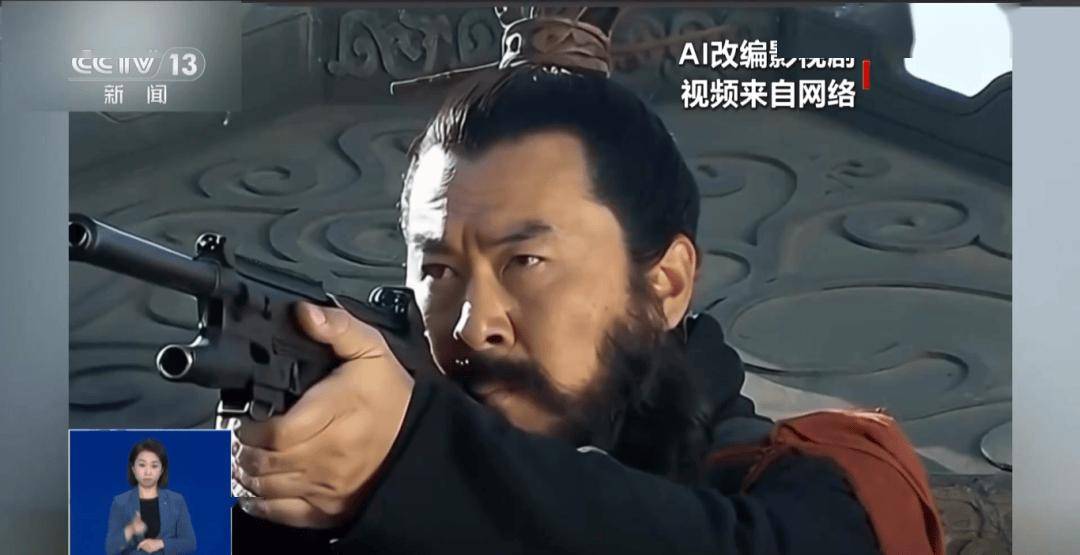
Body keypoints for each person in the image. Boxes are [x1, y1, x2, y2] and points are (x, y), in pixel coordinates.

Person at [229, 7, 943, 554]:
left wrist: (412, 464)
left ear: (666, 284)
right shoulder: (363, 474)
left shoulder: (821, 480)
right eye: (440, 270)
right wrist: (257, 483)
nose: (474, 325)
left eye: (525, 262)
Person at [106, 439, 196, 555]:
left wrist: (161, 543)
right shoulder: (120, 502)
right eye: (142, 465)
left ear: (161, 470)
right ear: (133, 468)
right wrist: (131, 529)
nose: (148, 472)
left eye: (154, 466)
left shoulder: (176, 501)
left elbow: (190, 543)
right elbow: (111, 549)